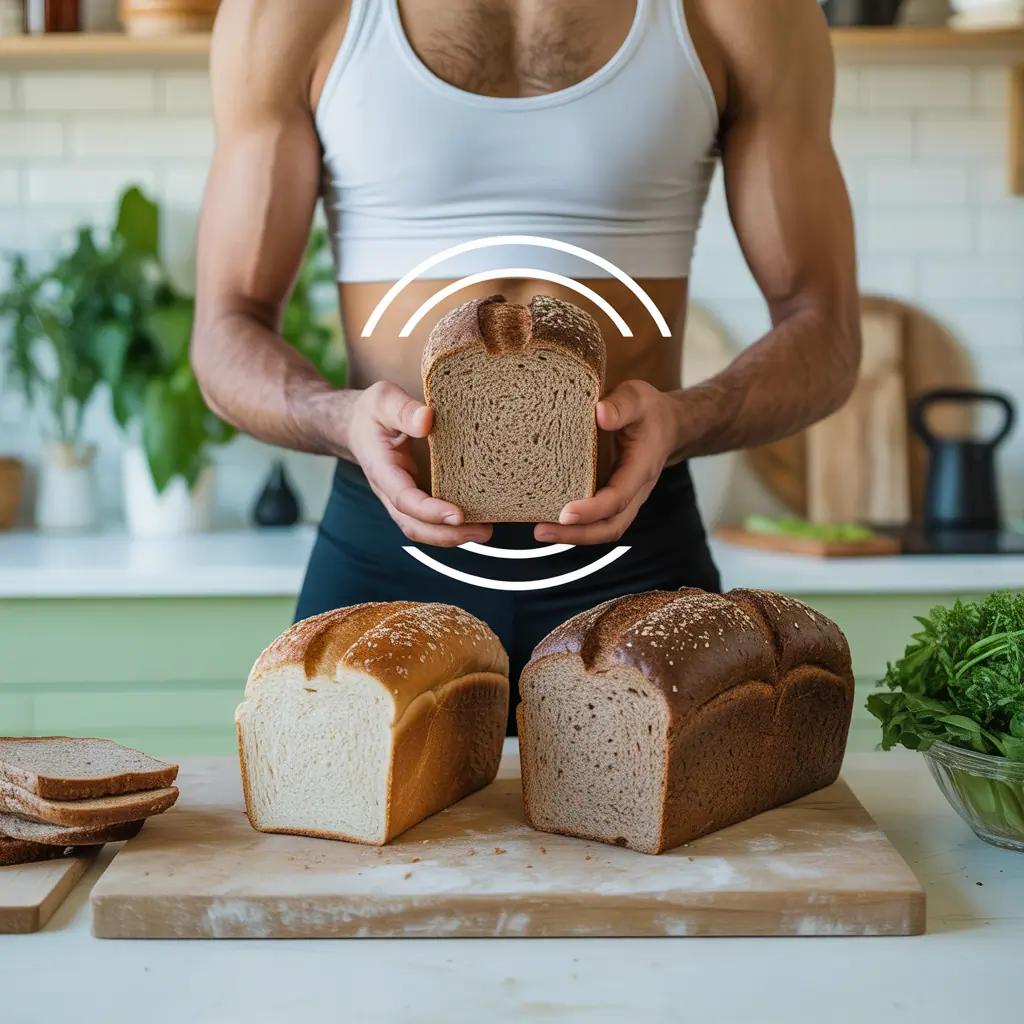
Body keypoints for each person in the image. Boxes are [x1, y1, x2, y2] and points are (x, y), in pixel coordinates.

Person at [191, 0, 860, 733]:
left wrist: (683, 418)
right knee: (334, 841)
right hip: (387, 549)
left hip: (633, 551)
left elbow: (823, 329)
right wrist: (339, 419)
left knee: (679, 841)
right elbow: (227, 327)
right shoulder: (286, 13)